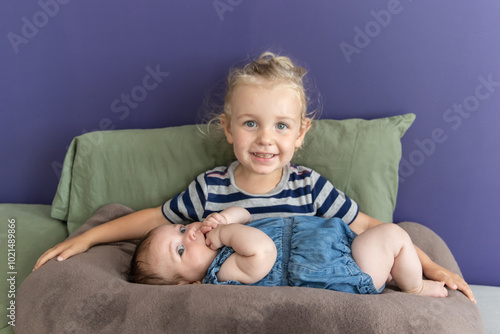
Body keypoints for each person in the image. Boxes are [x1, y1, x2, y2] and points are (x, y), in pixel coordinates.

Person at [33, 51, 475, 302]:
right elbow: (153, 219)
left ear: (301, 134)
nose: (265, 140)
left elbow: (372, 227)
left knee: (389, 238)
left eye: (281, 126)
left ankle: (416, 284)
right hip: (285, 291)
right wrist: (88, 238)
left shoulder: (308, 185)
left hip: (339, 266)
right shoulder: (211, 191)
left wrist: (433, 267)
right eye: (250, 124)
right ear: (227, 128)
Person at [130, 206, 449, 298]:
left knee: (386, 236)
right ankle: (416, 286)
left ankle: (393, 268)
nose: (191, 234)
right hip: (341, 273)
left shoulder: (218, 231)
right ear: (188, 283)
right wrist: (226, 233)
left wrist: (225, 218)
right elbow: (263, 251)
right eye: (182, 250)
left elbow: (245, 214)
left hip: (340, 246)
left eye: (182, 229)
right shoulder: (221, 274)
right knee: (393, 235)